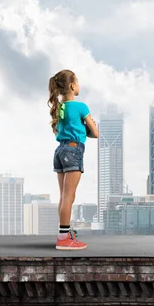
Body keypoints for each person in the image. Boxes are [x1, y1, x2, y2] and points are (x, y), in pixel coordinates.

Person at [48, 70, 99, 250]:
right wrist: (87, 126)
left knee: (63, 196)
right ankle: (64, 239)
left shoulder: (59, 107)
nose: (79, 84)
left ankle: (64, 233)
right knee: (69, 196)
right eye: (77, 81)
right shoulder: (81, 107)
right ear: (72, 85)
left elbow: (63, 129)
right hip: (73, 150)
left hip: (60, 151)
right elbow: (96, 132)